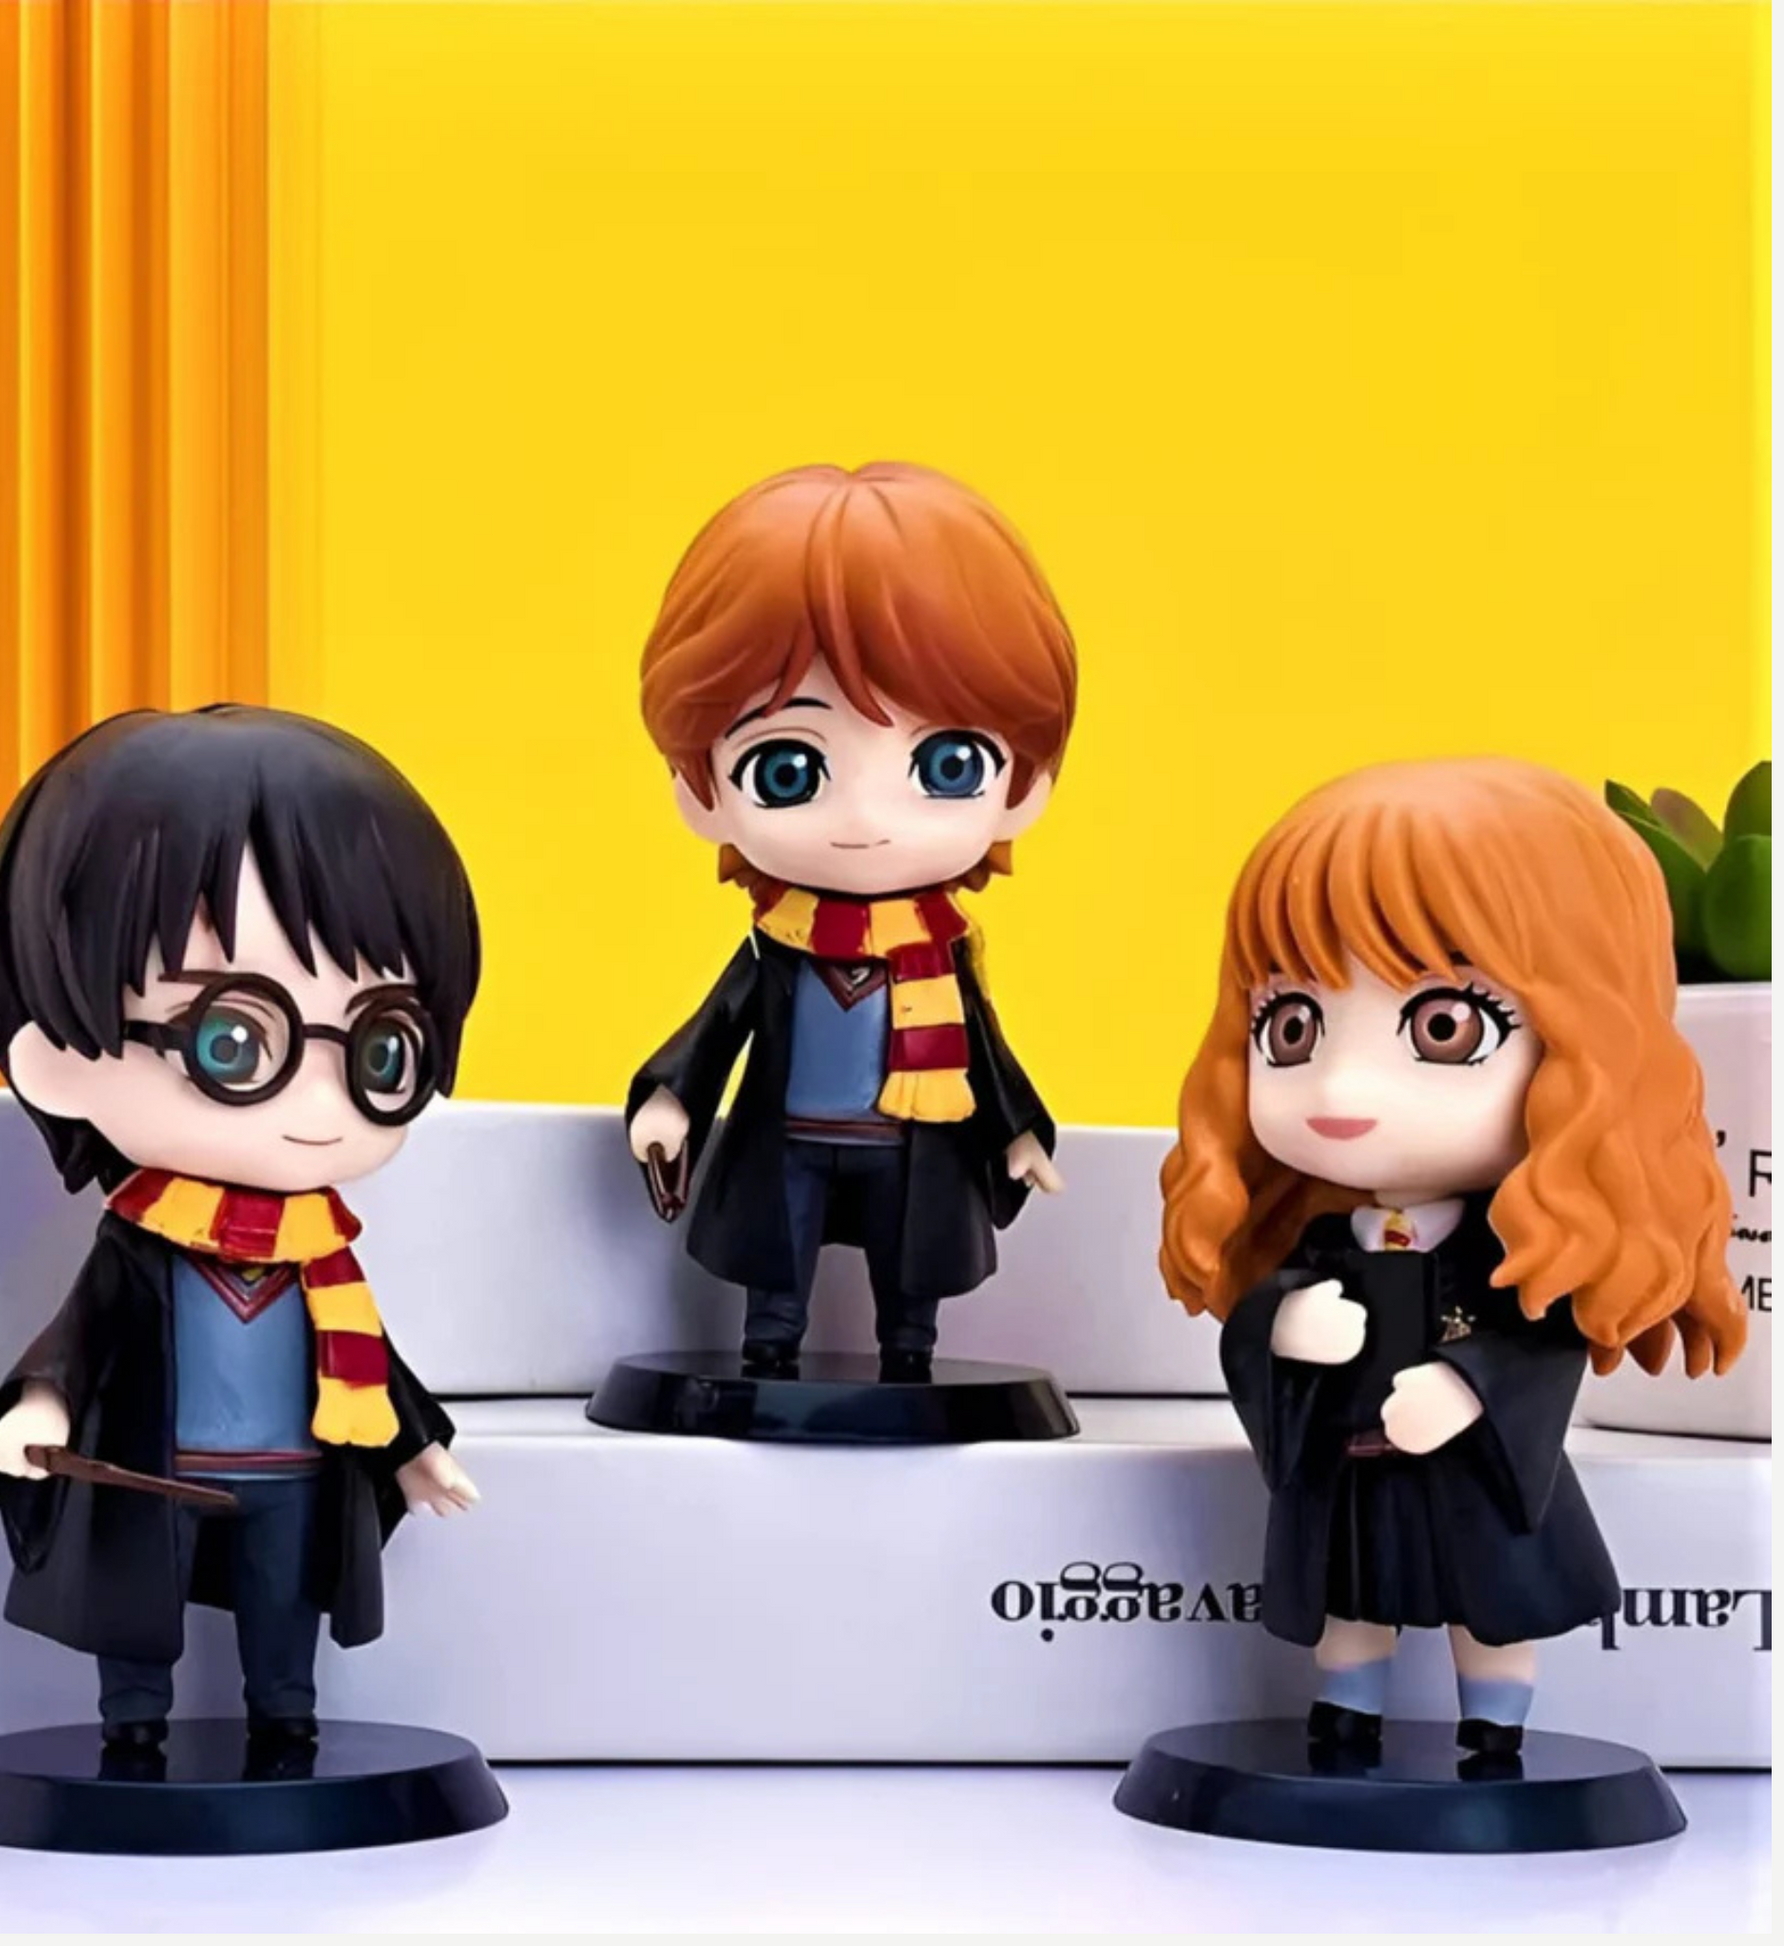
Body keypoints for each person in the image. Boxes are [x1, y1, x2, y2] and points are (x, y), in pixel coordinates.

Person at [1158, 757, 1743, 1760]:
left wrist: (1470, 1387)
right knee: (1351, 1603)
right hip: (1352, 1473)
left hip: (1475, 1475)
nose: (1340, 1086)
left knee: (1492, 1607)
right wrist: (1280, 1324)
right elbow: (1253, 1338)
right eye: (1291, 1025)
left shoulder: (1515, 1254)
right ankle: (1346, 1715)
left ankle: (1496, 1726)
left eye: (1441, 1025)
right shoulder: (1319, 1244)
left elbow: (1543, 1340)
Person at [0, 705, 482, 1760]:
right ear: (58, 1053)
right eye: (234, 1041)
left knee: (284, 1608)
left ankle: (286, 1723)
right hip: (153, 1468)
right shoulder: (144, 1237)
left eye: (382, 1049)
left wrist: (414, 1449)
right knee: (134, 1613)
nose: (319, 1101)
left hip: (296, 1469)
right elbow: (79, 1338)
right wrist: (37, 1404)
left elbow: (370, 1361)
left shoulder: (324, 1255)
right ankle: (132, 1732)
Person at [626, 462, 1079, 1380]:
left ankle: (909, 1352)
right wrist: (671, 1098)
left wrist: (1018, 1132)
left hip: (914, 1144)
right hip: (789, 1138)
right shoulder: (778, 945)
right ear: (700, 791)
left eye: (946, 763)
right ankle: (770, 1347)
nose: (866, 819)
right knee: (777, 1263)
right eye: (788, 768)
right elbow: (716, 1028)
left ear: (1023, 786)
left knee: (911, 1267)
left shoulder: (941, 956)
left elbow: (986, 1054)